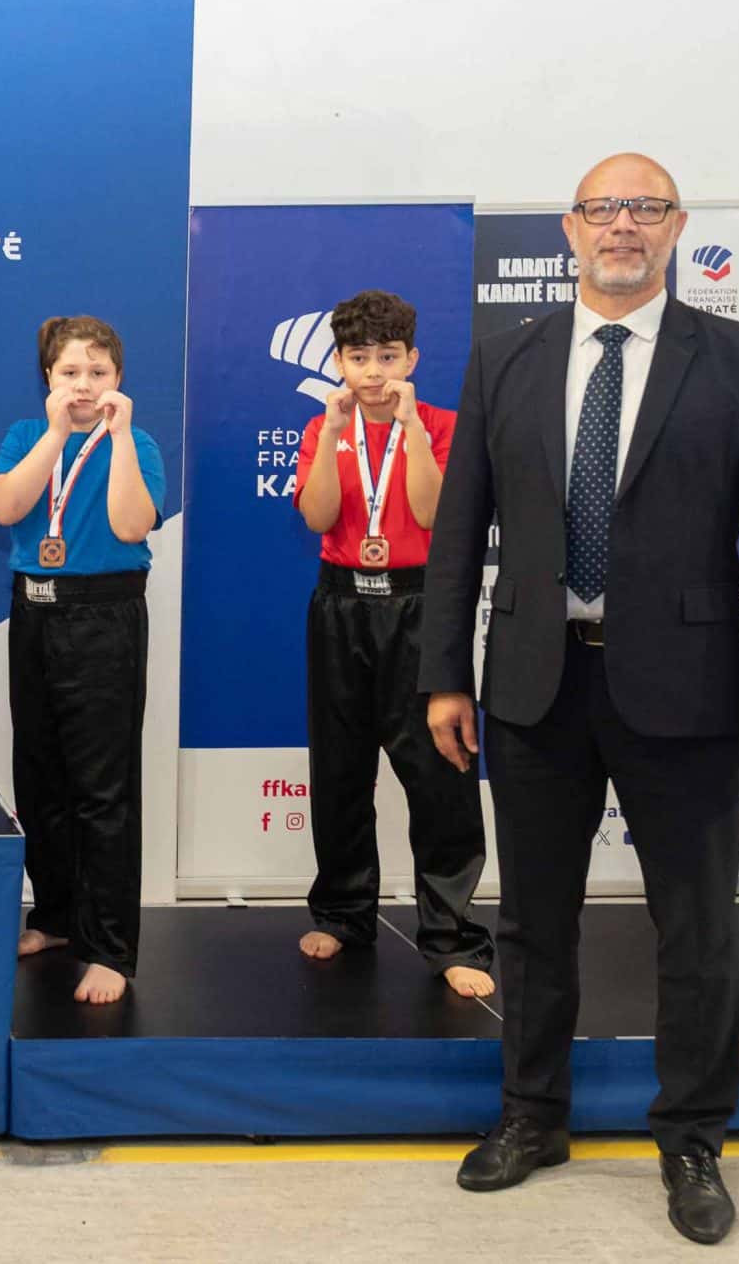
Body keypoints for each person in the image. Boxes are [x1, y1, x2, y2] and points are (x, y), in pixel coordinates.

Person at [422, 154, 739, 1245]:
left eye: (644, 208)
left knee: (694, 929)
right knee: (530, 920)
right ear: (570, 228)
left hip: (687, 689)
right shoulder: (506, 357)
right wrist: (443, 674)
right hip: (532, 683)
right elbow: (459, 527)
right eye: (603, 208)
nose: (622, 226)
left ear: (675, 227)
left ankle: (691, 1139)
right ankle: (532, 1115)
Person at [292, 290, 494, 999]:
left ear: (411, 359)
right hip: (341, 602)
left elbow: (431, 511)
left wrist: (408, 429)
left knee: (440, 774)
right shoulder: (324, 426)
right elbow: (317, 515)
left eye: (387, 357)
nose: (373, 372)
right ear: (340, 362)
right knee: (340, 769)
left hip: (419, 605)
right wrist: (330, 432)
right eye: (358, 358)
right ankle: (343, 913)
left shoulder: (441, 425)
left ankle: (452, 935)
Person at [0, 316, 165, 1004]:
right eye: (70, 373)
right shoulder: (26, 435)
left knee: (102, 788)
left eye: (98, 372)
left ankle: (110, 947)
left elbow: (130, 524)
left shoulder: (136, 443)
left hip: (103, 616)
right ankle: (57, 916)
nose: (84, 385)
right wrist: (56, 434)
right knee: (40, 778)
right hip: (34, 612)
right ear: (48, 379)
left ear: (119, 379)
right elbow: (5, 507)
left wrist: (116, 437)